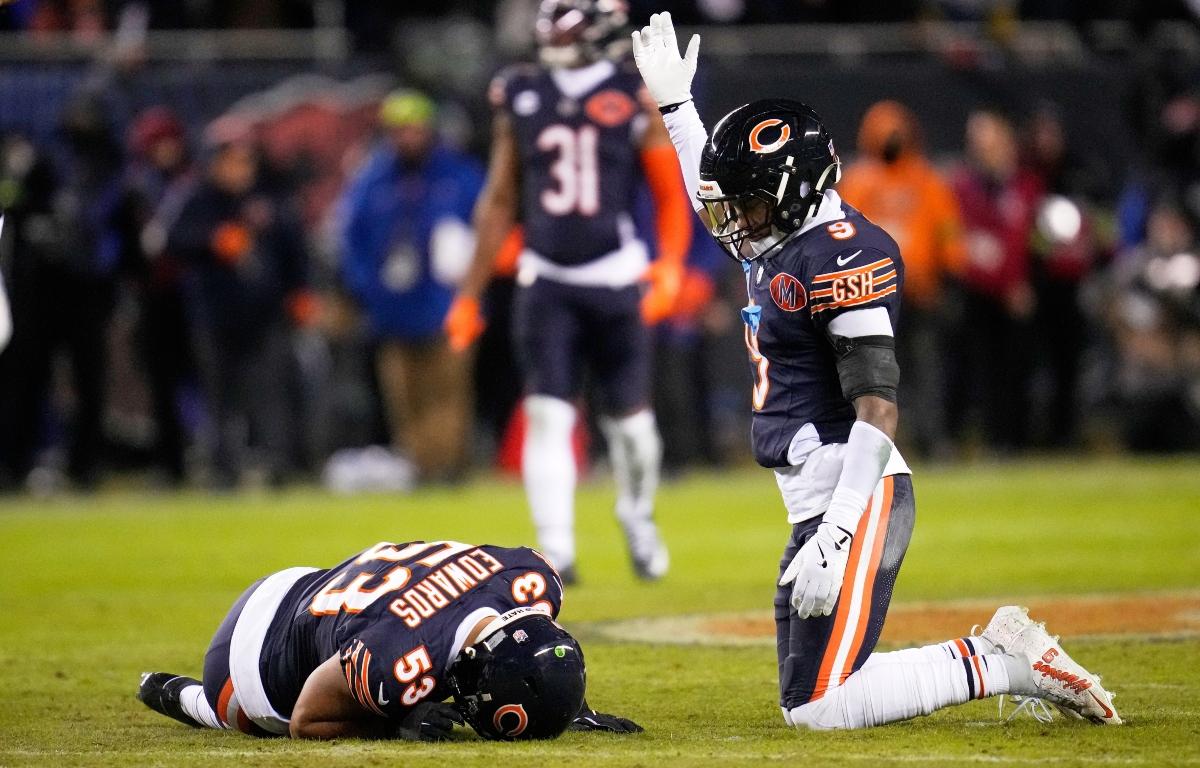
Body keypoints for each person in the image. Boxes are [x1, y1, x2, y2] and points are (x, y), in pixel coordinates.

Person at [630, 12, 1120, 730]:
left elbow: (878, 409)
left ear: (793, 193)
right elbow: (717, 190)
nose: (737, 219)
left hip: (855, 493)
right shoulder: (780, 232)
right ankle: (997, 655)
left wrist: (837, 530)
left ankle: (1004, 658)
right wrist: (678, 109)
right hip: (816, 500)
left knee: (822, 709)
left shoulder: (841, 251)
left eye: (753, 204)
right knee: (808, 699)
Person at [445, 0, 693, 583]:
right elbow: (501, 198)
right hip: (547, 279)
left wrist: (671, 265)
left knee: (631, 424)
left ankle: (638, 517)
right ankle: (557, 547)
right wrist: (469, 294)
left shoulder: (633, 96)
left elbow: (668, 192)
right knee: (548, 413)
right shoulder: (520, 95)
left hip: (616, 276)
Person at [136, 539, 642, 740]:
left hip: (315, 586)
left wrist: (567, 702)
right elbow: (309, 719)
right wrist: (397, 723)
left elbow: (530, 642)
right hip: (251, 650)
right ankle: (191, 698)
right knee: (252, 718)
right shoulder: (401, 660)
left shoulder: (532, 579)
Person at [340, 89, 484, 484]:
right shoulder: (371, 179)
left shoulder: (460, 174)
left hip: (449, 305)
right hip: (393, 309)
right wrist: (366, 290)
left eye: (414, 129)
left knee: (448, 394)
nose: (407, 138)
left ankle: (449, 469)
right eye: (399, 131)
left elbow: (490, 229)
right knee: (405, 398)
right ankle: (419, 469)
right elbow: (351, 239)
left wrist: (474, 280)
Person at [168, 126, 315, 488]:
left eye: (244, 162)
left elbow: (295, 248)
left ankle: (277, 466)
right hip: (215, 317)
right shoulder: (198, 199)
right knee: (220, 398)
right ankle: (222, 470)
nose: (239, 170)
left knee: (270, 393)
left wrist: (300, 292)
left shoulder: (268, 199)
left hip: (265, 316)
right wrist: (211, 240)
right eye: (230, 162)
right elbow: (171, 241)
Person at [838, 100, 964, 458]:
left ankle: (933, 438)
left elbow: (948, 233)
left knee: (927, 370)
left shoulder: (927, 180)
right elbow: (840, 236)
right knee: (874, 374)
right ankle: (876, 444)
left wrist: (952, 274)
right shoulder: (860, 181)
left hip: (921, 293)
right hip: (872, 294)